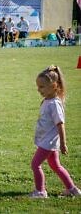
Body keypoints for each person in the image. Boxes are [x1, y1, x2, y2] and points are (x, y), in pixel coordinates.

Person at [29, 65, 81, 198]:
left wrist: (63, 143)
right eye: (38, 86)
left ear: (53, 86)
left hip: (49, 142)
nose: (38, 90)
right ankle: (72, 189)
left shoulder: (54, 104)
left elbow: (60, 125)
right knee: (55, 165)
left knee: (35, 165)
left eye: (42, 87)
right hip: (48, 141)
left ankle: (40, 191)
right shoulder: (47, 100)